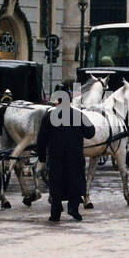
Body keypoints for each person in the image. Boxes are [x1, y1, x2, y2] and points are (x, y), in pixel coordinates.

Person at [35, 92, 91, 222]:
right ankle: (73, 208)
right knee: (75, 181)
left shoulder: (49, 116)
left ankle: (55, 213)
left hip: (56, 157)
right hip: (75, 156)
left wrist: (42, 157)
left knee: (56, 184)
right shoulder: (78, 115)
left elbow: (41, 139)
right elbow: (90, 132)